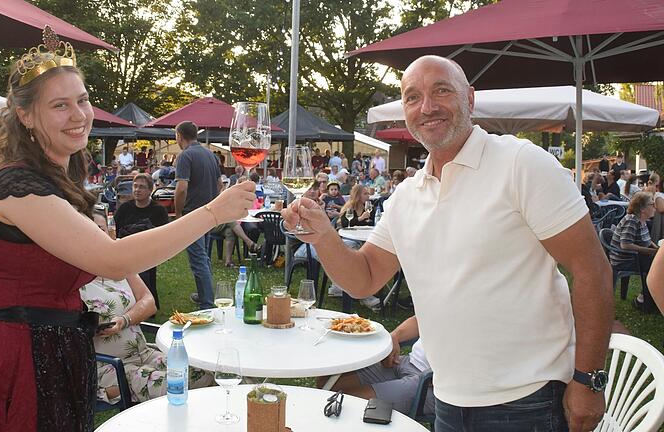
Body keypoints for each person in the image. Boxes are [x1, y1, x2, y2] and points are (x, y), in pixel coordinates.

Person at [0, 28, 256, 432]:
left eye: (83, 100)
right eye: (60, 105)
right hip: (19, 362)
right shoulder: (16, 188)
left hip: (58, 354)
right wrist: (212, 212)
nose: (79, 115)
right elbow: (113, 259)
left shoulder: (53, 180)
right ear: (25, 115)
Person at [282, 55, 613, 431]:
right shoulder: (406, 196)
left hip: (528, 401)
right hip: (447, 398)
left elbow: (592, 270)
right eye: (412, 97)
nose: (427, 107)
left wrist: (589, 380)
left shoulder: (521, 163)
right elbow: (364, 278)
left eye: (441, 90)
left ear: (469, 99)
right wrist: (324, 236)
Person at [81, 211, 212, 404]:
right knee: (176, 383)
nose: (95, 235)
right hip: (112, 366)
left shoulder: (120, 267)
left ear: (110, 234)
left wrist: (124, 320)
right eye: (88, 230)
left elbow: (149, 302)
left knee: (204, 371)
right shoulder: (74, 280)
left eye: (99, 229)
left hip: (144, 353)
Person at [319, 316, 433, 417]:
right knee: (327, 382)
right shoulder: (443, 298)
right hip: (409, 362)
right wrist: (394, 337)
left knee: (346, 403)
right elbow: (421, 318)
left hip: (432, 383)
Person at [174, 120, 223, 309]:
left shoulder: (186, 156)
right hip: (208, 212)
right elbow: (219, 185)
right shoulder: (210, 154)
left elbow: (181, 189)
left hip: (192, 214)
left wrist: (178, 213)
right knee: (205, 256)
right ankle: (205, 293)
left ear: (179, 136)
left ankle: (207, 303)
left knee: (198, 259)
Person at [114, 173, 169, 309]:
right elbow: (115, 228)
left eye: (142, 187)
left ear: (150, 190)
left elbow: (163, 235)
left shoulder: (158, 211)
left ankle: (146, 303)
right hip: (125, 248)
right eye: (135, 186)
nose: (137, 190)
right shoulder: (125, 208)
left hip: (148, 251)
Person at [610, 192, 659, 313]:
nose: (654, 207)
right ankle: (644, 301)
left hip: (636, 257)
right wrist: (651, 251)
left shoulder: (642, 220)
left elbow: (647, 240)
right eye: (652, 204)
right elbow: (625, 244)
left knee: (658, 264)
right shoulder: (632, 220)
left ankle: (648, 299)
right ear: (642, 209)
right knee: (657, 268)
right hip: (625, 259)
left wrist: (657, 249)